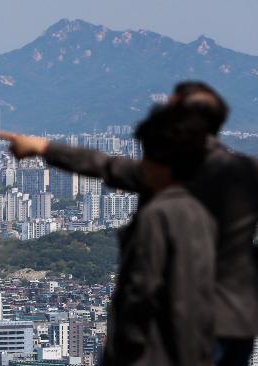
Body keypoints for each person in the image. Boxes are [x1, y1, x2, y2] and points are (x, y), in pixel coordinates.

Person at [0, 81, 258, 366]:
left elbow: (108, 167)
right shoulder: (246, 172)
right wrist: (248, 267)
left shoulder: (167, 170)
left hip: (176, 326)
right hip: (236, 316)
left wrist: (43, 147)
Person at [102, 105, 215, 366]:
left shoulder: (157, 215)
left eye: (146, 157)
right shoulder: (202, 209)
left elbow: (141, 287)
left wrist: (124, 343)